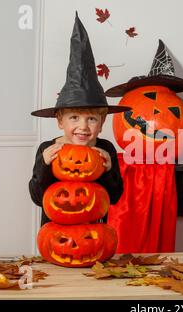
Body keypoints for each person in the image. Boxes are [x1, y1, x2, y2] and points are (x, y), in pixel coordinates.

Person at [28, 12, 130, 226]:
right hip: (57, 233)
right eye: (74, 118)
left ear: (102, 123)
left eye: (91, 119)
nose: (83, 127)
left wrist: (109, 169)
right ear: (60, 121)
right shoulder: (48, 150)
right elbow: (38, 198)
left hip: (94, 234)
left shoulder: (105, 149)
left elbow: (114, 197)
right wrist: (43, 165)